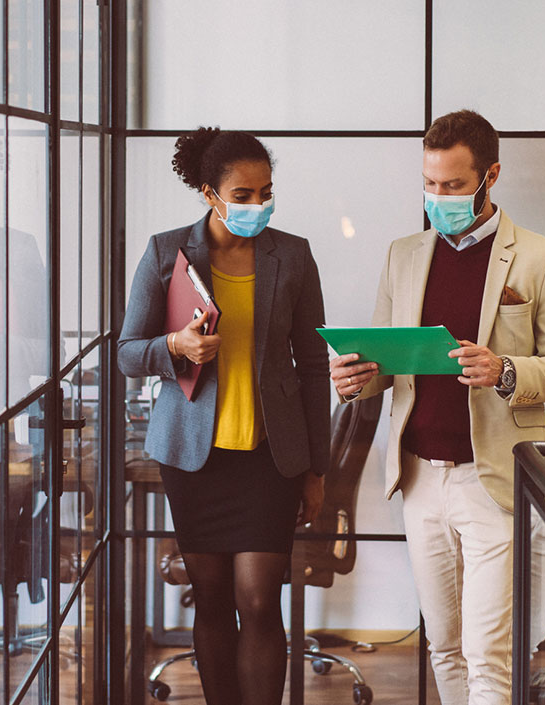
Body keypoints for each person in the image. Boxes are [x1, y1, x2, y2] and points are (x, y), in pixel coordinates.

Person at [332, 110, 545, 705]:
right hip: (419, 475)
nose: (437, 197)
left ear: (490, 175)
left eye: (451, 185)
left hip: (491, 478)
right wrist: (353, 379)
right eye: (429, 184)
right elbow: (382, 366)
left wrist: (505, 371)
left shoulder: (542, 259)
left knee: (488, 654)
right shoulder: (404, 254)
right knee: (443, 645)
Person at [118, 128, 331, 705]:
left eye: (266, 192)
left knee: (260, 600)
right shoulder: (167, 252)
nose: (256, 205)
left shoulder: (293, 253)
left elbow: (314, 364)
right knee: (211, 601)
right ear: (210, 193)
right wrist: (176, 347)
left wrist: (316, 469)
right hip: (194, 458)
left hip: (270, 457)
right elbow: (126, 352)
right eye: (243, 194)